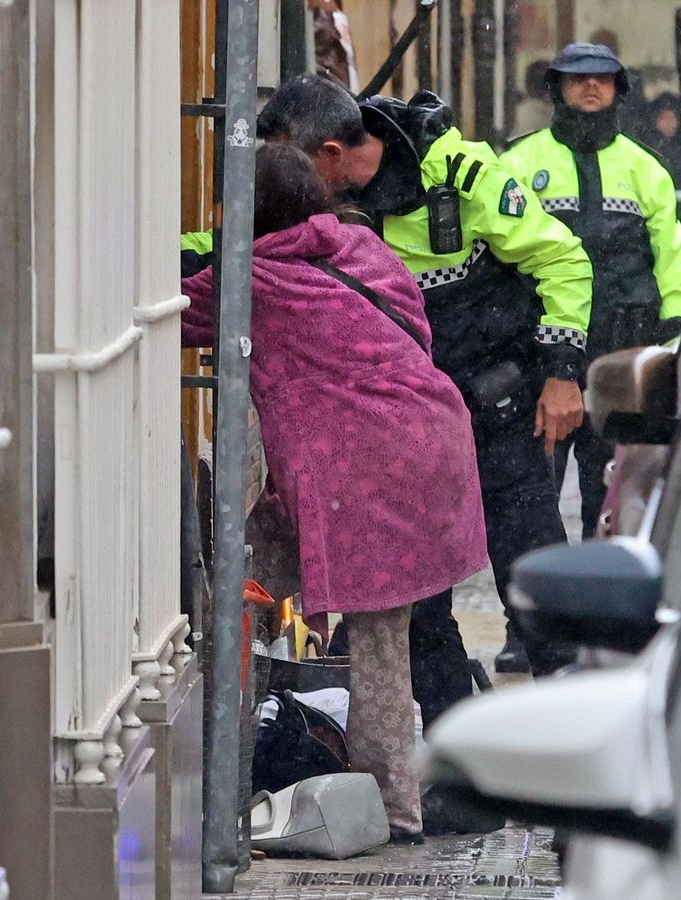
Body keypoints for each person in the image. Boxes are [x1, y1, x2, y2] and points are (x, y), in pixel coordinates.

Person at [180, 144, 490, 844]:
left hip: (374, 472)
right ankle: (230, 725)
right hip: (425, 441)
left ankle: (392, 808)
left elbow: (173, 311)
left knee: (380, 636)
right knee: (248, 567)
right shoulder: (362, 249)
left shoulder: (259, 281)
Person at [256, 75, 592, 694]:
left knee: (533, 576)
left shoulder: (458, 174)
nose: (286, 178)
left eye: (292, 161)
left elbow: (563, 260)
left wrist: (562, 374)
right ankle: (448, 754)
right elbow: (247, 258)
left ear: (330, 154)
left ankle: (573, 730)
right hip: (404, 441)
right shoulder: (317, 210)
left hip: (496, 412)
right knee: (418, 610)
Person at [500, 42, 681, 540]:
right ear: (557, 89)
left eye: (603, 79)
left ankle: (599, 604)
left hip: (623, 354)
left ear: (618, 89)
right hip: (539, 356)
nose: (591, 86)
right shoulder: (520, 162)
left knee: (611, 496)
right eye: (578, 78)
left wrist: (676, 335)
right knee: (531, 499)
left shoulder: (646, 169)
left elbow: (670, 258)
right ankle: (531, 614)